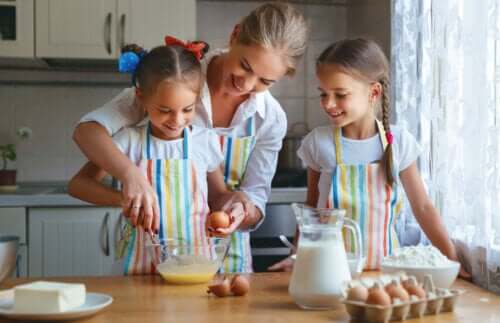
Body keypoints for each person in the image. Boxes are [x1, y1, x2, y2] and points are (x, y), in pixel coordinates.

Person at [72, 2, 309, 272]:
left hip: (227, 259)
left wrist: (240, 209)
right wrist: (130, 177)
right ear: (235, 35)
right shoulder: (176, 80)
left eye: (264, 82)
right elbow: (87, 131)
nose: (246, 84)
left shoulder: (271, 118)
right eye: (245, 65)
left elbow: (252, 197)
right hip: (154, 259)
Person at [269, 38, 470, 277]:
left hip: (388, 274)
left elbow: (423, 207)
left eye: (340, 94)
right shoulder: (318, 143)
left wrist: (451, 259)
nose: (329, 104)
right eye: (323, 94)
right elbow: (311, 210)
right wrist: (298, 257)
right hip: (329, 272)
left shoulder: (399, 142)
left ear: (373, 92)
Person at [68, 41, 247, 274]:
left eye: (188, 109)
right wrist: (123, 199)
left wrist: (231, 210)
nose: (177, 120)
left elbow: (218, 196)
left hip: (197, 268)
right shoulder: (129, 142)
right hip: (141, 271)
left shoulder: (205, 141)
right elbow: (78, 185)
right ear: (141, 97)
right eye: (165, 110)